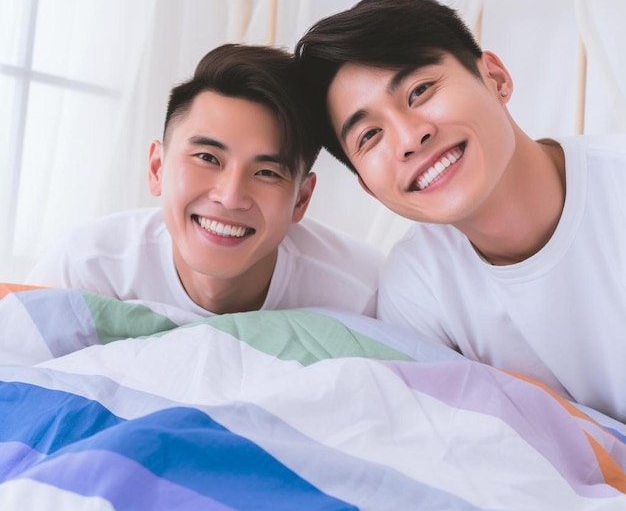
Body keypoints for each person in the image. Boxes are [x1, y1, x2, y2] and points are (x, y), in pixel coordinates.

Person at [294, 0, 626, 422]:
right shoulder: (417, 288)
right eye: (370, 136)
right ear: (371, 190)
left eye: (420, 91)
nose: (410, 138)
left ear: (495, 78)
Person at [27, 43, 383, 317]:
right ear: (157, 169)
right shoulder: (87, 268)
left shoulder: (361, 293)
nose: (230, 197)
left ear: (301, 200)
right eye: (207, 158)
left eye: (266, 173)